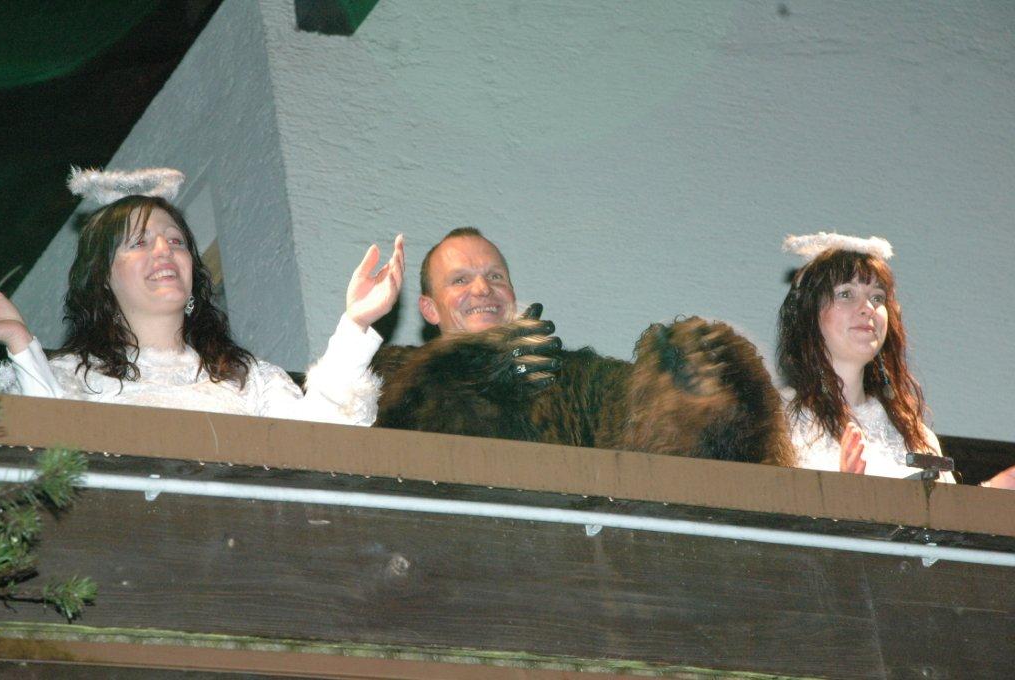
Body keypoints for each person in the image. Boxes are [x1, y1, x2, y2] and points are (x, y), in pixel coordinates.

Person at [0, 168, 404, 425]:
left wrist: (355, 324)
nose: (164, 251)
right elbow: (46, 453)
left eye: (176, 241)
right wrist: (22, 345)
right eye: (139, 242)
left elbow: (322, 440)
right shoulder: (67, 378)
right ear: (102, 279)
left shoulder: (249, 380)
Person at [372, 228, 794, 465]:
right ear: (429, 308)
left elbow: (650, 440)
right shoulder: (391, 373)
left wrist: (704, 385)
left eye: (496, 276)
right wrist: (465, 371)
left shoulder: (579, 380)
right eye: (460, 280)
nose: (482, 288)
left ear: (512, 294)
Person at [777, 232, 1014, 488]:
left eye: (877, 297)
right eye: (846, 294)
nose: (868, 308)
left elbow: (943, 513)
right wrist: (841, 494)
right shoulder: (778, 419)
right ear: (809, 315)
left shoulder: (915, 435)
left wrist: (994, 491)